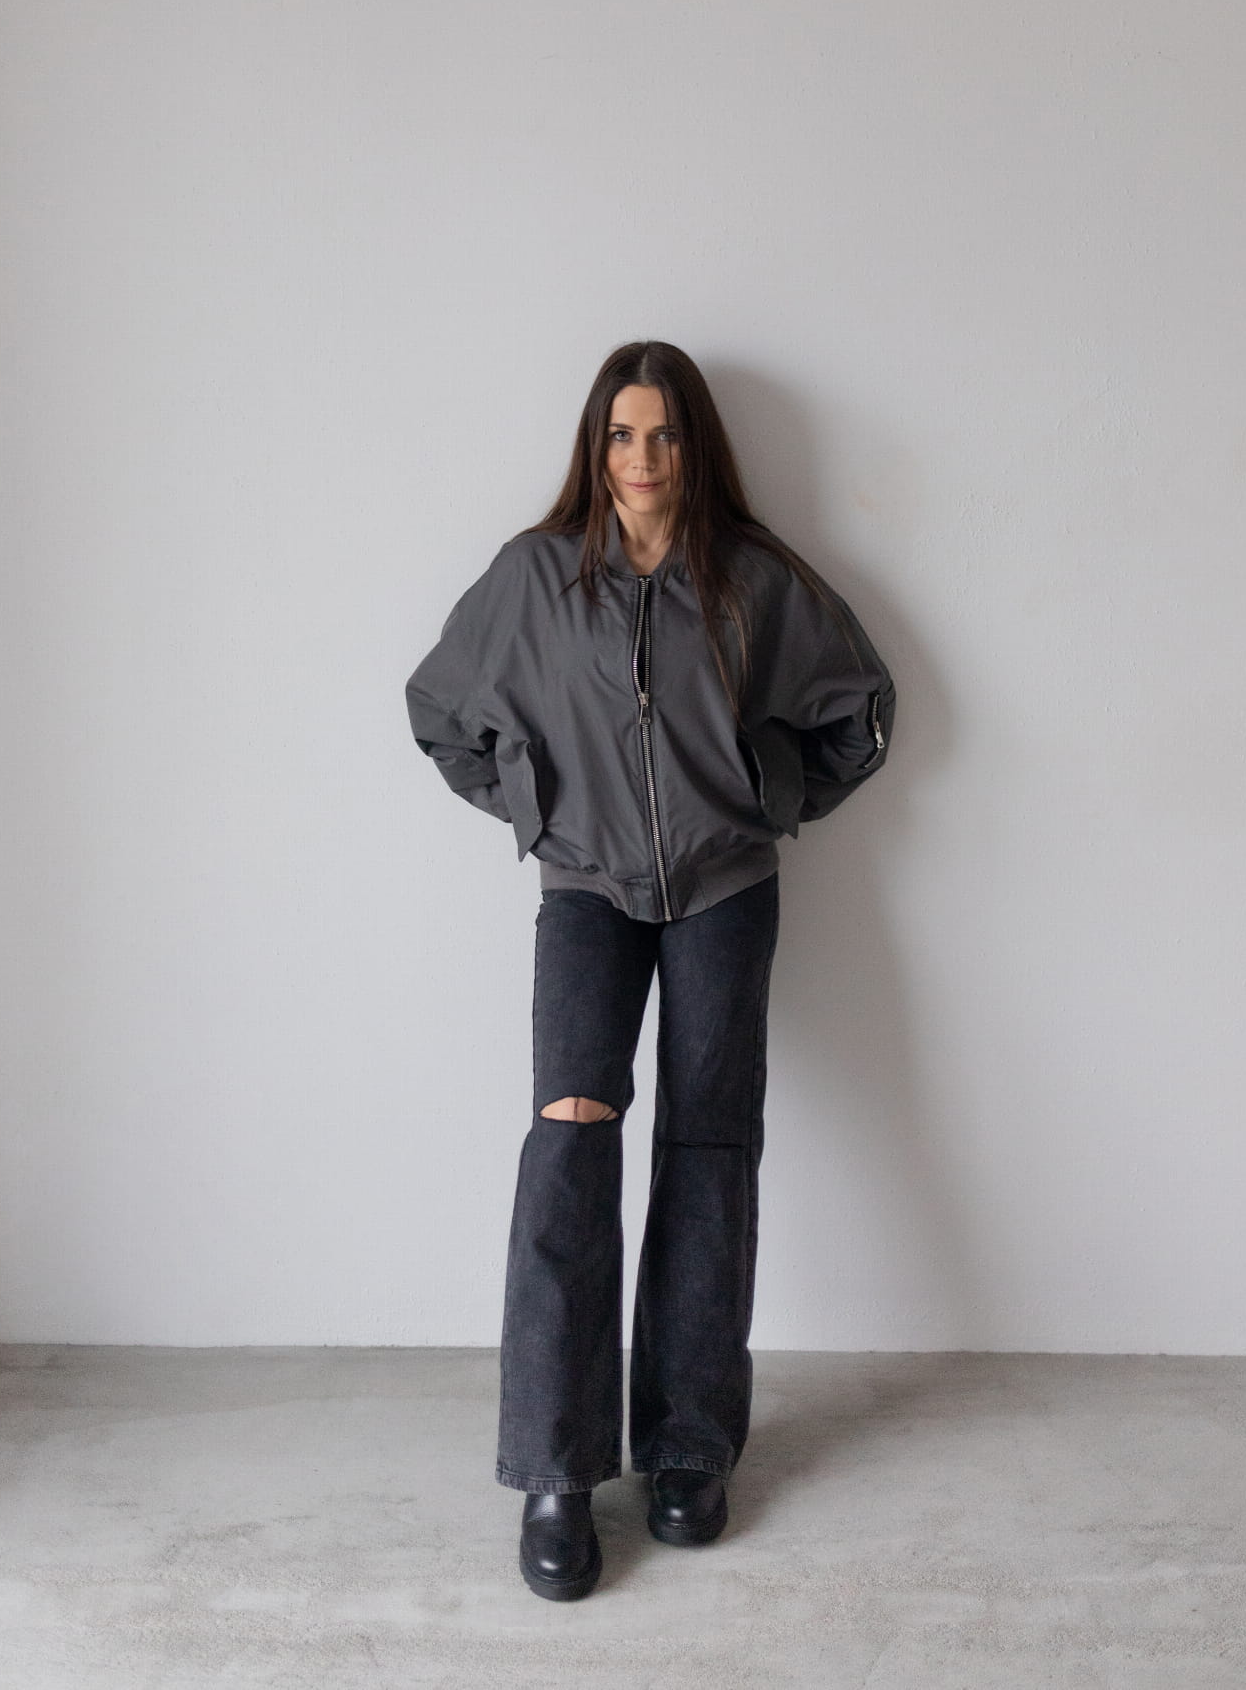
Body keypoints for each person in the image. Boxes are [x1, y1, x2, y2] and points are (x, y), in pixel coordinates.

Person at [405, 340, 895, 1600]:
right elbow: (441, 712)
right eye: (621, 435)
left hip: (725, 892)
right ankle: (557, 1469)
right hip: (586, 893)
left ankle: (687, 1446)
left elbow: (861, 711)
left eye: (663, 434)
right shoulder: (535, 578)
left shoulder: (750, 578)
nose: (641, 458)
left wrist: (766, 800)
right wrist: (539, 810)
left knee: (709, 1146)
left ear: (694, 446)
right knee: (571, 1136)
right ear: (595, 446)